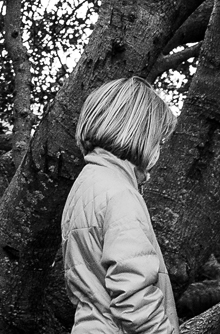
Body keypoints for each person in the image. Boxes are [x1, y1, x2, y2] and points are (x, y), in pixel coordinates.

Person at [60, 76, 180, 334]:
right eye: (157, 141)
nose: (158, 152)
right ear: (137, 134)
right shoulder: (120, 194)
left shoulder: (88, 184)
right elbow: (134, 299)